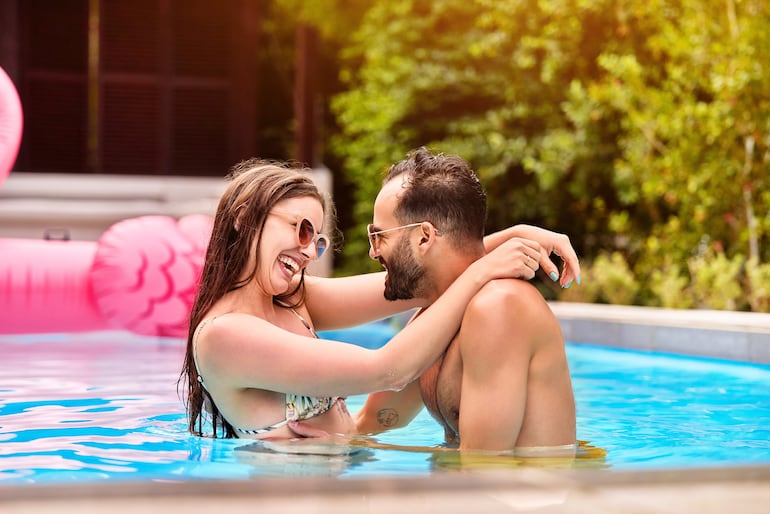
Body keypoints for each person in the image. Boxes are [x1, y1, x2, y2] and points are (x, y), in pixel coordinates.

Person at [179, 157, 580, 440]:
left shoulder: (291, 299)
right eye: (301, 230)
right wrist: (482, 268)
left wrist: (509, 237)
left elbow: (425, 277)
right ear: (244, 217)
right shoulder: (223, 336)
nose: (308, 252)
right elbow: (387, 370)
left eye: (317, 241)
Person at [350, 148, 577, 456]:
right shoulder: (438, 314)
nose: (373, 251)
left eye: (380, 236)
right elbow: (366, 424)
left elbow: (483, 467)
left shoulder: (499, 307)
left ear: (424, 237)